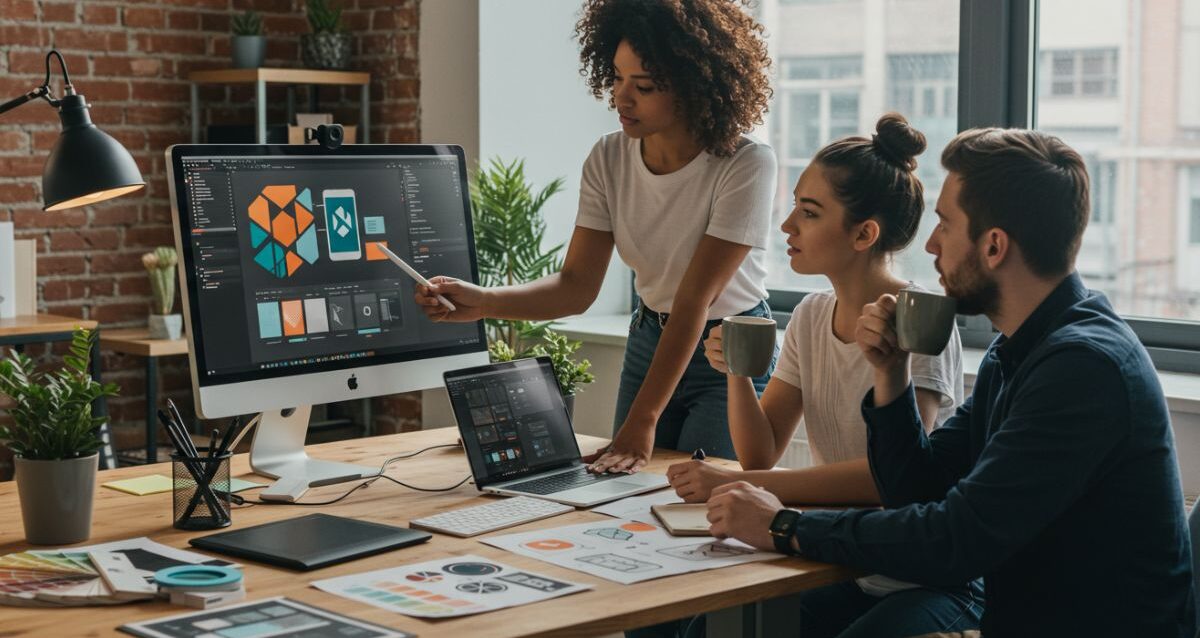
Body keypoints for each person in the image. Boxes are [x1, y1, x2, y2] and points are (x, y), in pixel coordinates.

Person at [704, 127, 1196, 636]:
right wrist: (890, 376)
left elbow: (954, 540)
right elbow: (917, 489)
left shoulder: (1083, 368)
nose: (932, 244)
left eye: (945, 224)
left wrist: (784, 525)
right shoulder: (1020, 350)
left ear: (994, 246)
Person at [415, 0, 777, 474]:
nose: (620, 98)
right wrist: (483, 302)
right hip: (651, 336)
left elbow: (693, 301)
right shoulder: (609, 157)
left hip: (727, 348)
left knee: (703, 496)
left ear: (693, 86)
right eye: (616, 77)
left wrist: (643, 418)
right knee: (624, 489)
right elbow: (576, 287)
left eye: (643, 86)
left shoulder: (745, 163)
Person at [666, 113, 979, 637]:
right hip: (843, 565)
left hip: (926, 580)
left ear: (864, 233)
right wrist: (737, 373)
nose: (787, 226)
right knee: (704, 630)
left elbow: (891, 479)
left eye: (808, 213)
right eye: (793, 206)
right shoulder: (813, 314)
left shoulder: (922, 323)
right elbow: (761, 452)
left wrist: (743, 484)